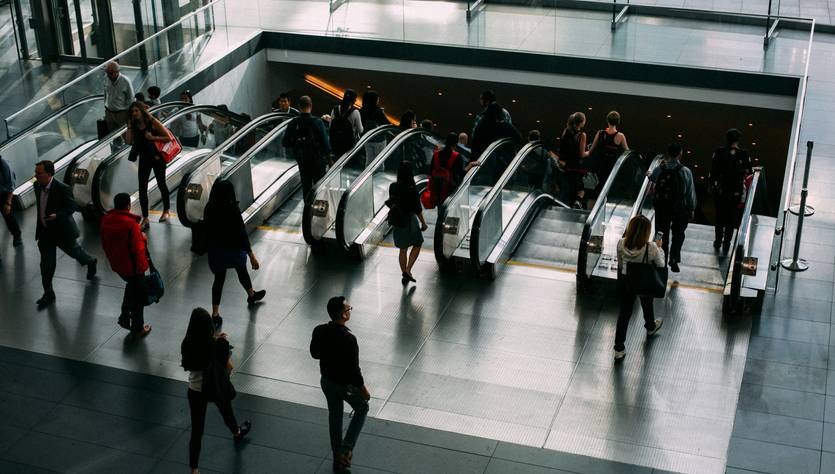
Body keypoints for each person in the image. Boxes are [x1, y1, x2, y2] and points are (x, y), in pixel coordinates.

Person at [181, 307, 251, 474]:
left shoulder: (187, 342)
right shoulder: (218, 344)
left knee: (197, 431)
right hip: (215, 386)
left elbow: (191, 361)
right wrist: (223, 344)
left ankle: (194, 470)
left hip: (195, 389)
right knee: (226, 410)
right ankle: (236, 432)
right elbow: (228, 368)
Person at [310, 296, 371, 474]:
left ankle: (338, 455)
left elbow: (315, 354)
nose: (349, 310)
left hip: (327, 382)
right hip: (345, 386)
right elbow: (354, 371)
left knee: (335, 415)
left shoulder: (319, 330)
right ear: (343, 315)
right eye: (348, 309)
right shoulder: (350, 339)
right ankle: (346, 449)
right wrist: (364, 390)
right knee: (362, 408)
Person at [203, 180, 266, 329]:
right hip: (233, 249)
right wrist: (251, 255)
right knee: (242, 271)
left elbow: (206, 229)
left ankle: (215, 314)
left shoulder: (209, 207)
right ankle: (251, 295)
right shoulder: (232, 208)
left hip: (216, 250)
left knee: (219, 279)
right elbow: (241, 233)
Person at [33, 160, 97, 306]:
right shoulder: (37, 185)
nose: (35, 176)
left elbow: (72, 207)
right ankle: (48, 293)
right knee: (46, 265)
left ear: (49, 174)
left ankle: (91, 261)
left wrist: (57, 215)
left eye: (38, 173)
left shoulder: (62, 188)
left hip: (62, 232)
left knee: (76, 253)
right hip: (45, 232)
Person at [100, 193, 152, 337]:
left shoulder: (106, 220)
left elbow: (105, 242)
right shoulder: (131, 225)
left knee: (131, 286)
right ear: (128, 205)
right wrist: (143, 238)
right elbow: (138, 249)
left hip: (118, 264)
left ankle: (125, 315)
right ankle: (137, 327)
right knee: (139, 297)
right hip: (134, 267)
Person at [614, 215, 664, 360]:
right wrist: (659, 249)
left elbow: (621, 264)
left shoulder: (621, 243)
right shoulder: (651, 247)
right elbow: (661, 266)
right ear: (646, 232)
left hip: (627, 281)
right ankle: (650, 327)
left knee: (624, 314)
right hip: (644, 281)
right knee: (647, 303)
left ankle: (619, 349)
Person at [650, 143, 696, 273]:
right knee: (678, 234)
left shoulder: (659, 169)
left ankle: (658, 258)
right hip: (679, 209)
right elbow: (690, 193)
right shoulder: (685, 171)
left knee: (660, 232)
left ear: (667, 154)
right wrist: (691, 209)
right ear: (680, 154)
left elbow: (653, 180)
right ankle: (674, 258)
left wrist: (649, 174)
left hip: (662, 207)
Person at [126, 101, 172, 229]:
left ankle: (166, 210)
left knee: (161, 183)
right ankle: (145, 218)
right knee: (142, 188)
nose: (134, 113)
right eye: (132, 112)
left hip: (157, 158)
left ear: (141, 111)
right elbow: (128, 141)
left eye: (136, 111)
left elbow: (168, 137)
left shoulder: (152, 121)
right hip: (144, 159)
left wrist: (152, 138)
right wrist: (129, 126)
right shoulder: (134, 125)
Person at [709, 128, 753, 253]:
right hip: (736, 190)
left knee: (719, 216)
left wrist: (712, 185)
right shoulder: (744, 154)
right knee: (731, 217)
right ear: (738, 140)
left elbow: (713, 171)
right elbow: (749, 171)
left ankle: (718, 240)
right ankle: (727, 243)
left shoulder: (719, 152)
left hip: (721, 190)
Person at [282, 95, 332, 203]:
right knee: (319, 186)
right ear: (311, 106)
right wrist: (330, 160)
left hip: (303, 160)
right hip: (318, 160)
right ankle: (319, 210)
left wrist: (296, 145)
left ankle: (307, 209)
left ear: (299, 107)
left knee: (306, 186)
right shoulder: (318, 122)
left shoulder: (293, 122)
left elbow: (285, 142)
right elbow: (326, 145)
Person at [387, 162, 428, 284]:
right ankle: (408, 270)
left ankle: (404, 272)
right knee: (418, 243)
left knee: (403, 249)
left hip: (397, 220)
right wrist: (423, 223)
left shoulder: (393, 186)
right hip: (409, 220)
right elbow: (418, 209)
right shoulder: (412, 189)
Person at [428, 133, 479, 207]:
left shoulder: (436, 155)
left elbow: (431, 171)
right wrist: (470, 165)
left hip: (436, 188)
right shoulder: (457, 156)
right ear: (456, 143)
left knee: (440, 207)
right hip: (450, 190)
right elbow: (461, 174)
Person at [588, 110, 628, 188]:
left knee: (596, 186)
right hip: (611, 166)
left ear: (607, 121)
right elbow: (627, 151)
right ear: (618, 122)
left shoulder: (600, 133)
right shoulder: (620, 136)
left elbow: (591, 149)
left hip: (598, 165)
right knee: (606, 186)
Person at [560, 112, 591, 209]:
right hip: (577, 167)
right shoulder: (582, 135)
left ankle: (570, 206)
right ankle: (577, 203)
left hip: (566, 166)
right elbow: (581, 154)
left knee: (570, 190)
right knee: (581, 189)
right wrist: (590, 152)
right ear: (582, 122)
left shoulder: (566, 132)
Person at [329, 89, 363, 158]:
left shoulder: (334, 110)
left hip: (335, 145)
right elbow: (360, 130)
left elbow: (330, 127)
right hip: (348, 147)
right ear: (354, 100)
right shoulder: (355, 112)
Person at [103, 61, 134, 133]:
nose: (108, 75)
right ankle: (116, 144)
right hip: (109, 112)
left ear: (116, 72)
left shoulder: (125, 81)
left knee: (124, 133)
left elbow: (131, 99)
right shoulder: (106, 78)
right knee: (112, 135)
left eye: (110, 73)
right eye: (107, 73)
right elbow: (105, 93)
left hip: (122, 114)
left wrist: (129, 115)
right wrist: (105, 106)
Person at [0, 154, 22, 247]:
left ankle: (17, 235)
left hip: (3, 195)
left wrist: (8, 203)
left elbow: (10, 184)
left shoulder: (3, 164)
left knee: (8, 217)